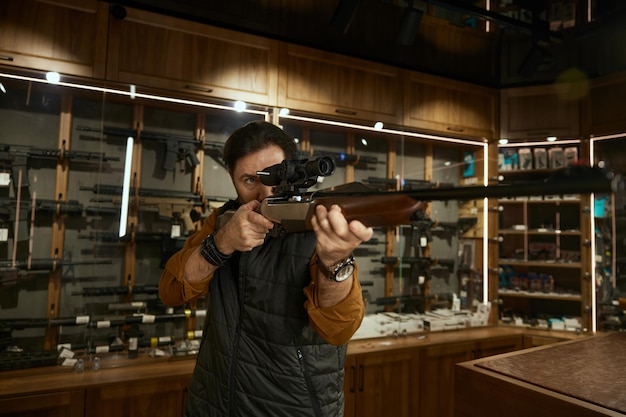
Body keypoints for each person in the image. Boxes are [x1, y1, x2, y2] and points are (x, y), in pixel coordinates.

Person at [159, 120, 373, 417]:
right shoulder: (222, 220)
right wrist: (221, 244)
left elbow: (339, 328)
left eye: (275, 176)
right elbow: (170, 290)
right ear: (232, 179)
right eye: (249, 181)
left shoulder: (317, 225)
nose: (265, 193)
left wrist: (334, 261)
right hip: (213, 404)